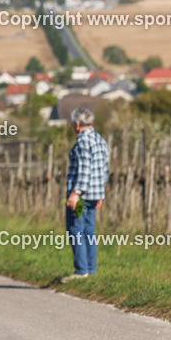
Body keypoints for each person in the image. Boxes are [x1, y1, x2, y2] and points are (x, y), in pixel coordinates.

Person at [62, 106, 109, 283]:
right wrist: (101, 193)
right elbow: (104, 169)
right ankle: (91, 270)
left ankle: (81, 271)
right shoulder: (100, 140)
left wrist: (76, 193)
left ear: (77, 123)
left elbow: (84, 170)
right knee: (89, 231)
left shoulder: (82, 142)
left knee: (76, 229)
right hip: (95, 193)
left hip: (82, 194)